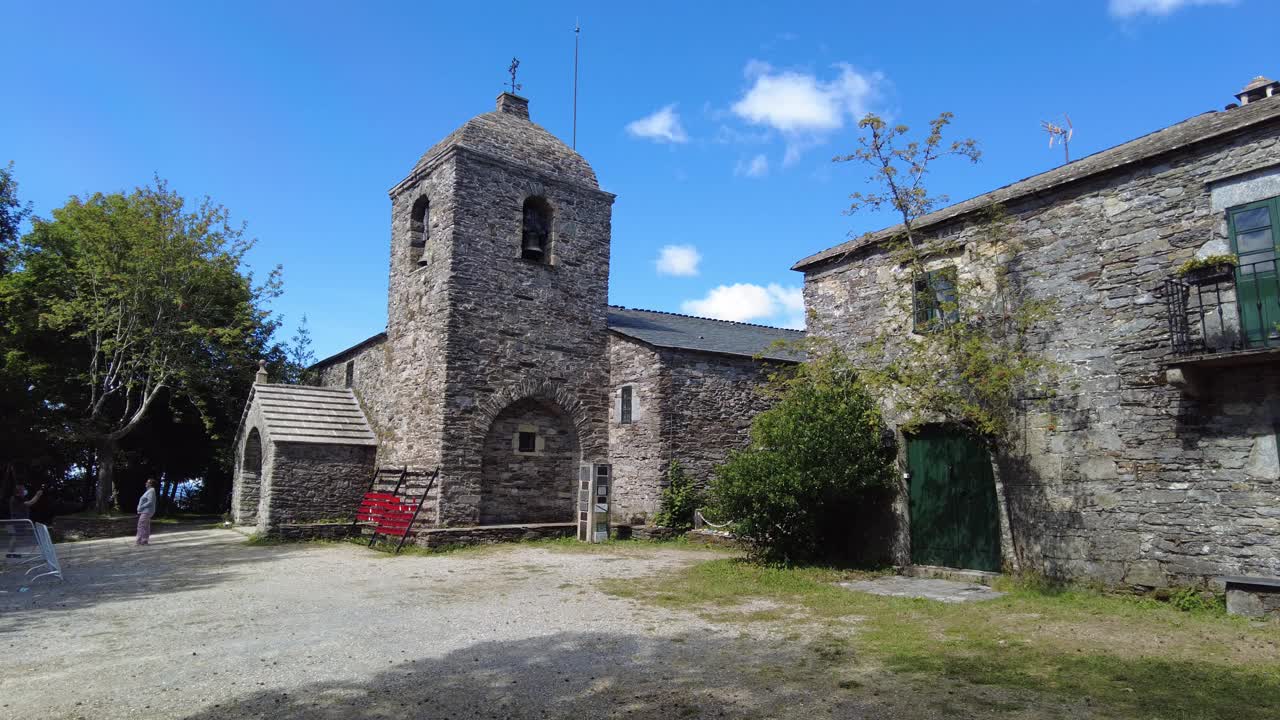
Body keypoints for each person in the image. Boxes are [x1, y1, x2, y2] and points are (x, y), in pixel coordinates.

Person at [135, 478, 158, 546]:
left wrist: (141, 507)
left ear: (150, 484)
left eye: (147, 482)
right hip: (146, 511)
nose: (146, 483)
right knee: (145, 526)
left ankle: (139, 541)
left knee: (141, 526)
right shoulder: (150, 491)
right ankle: (144, 541)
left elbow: (150, 502)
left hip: (146, 511)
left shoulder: (151, 491)